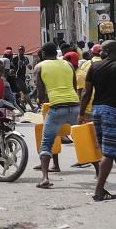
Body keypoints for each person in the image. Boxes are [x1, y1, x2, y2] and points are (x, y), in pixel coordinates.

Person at [78, 40, 116, 202]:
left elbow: (86, 93)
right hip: (114, 111)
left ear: (108, 51)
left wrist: (81, 113)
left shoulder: (94, 67)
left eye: (101, 50)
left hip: (97, 111)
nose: (99, 53)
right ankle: (98, 191)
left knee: (114, 149)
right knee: (109, 152)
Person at [35, 42, 78, 189]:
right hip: (74, 105)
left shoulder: (40, 67)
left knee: (46, 142)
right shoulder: (68, 64)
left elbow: (40, 94)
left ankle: (45, 178)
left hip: (56, 107)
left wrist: (42, 101)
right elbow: (74, 86)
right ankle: (99, 171)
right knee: (84, 138)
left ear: (42, 54)